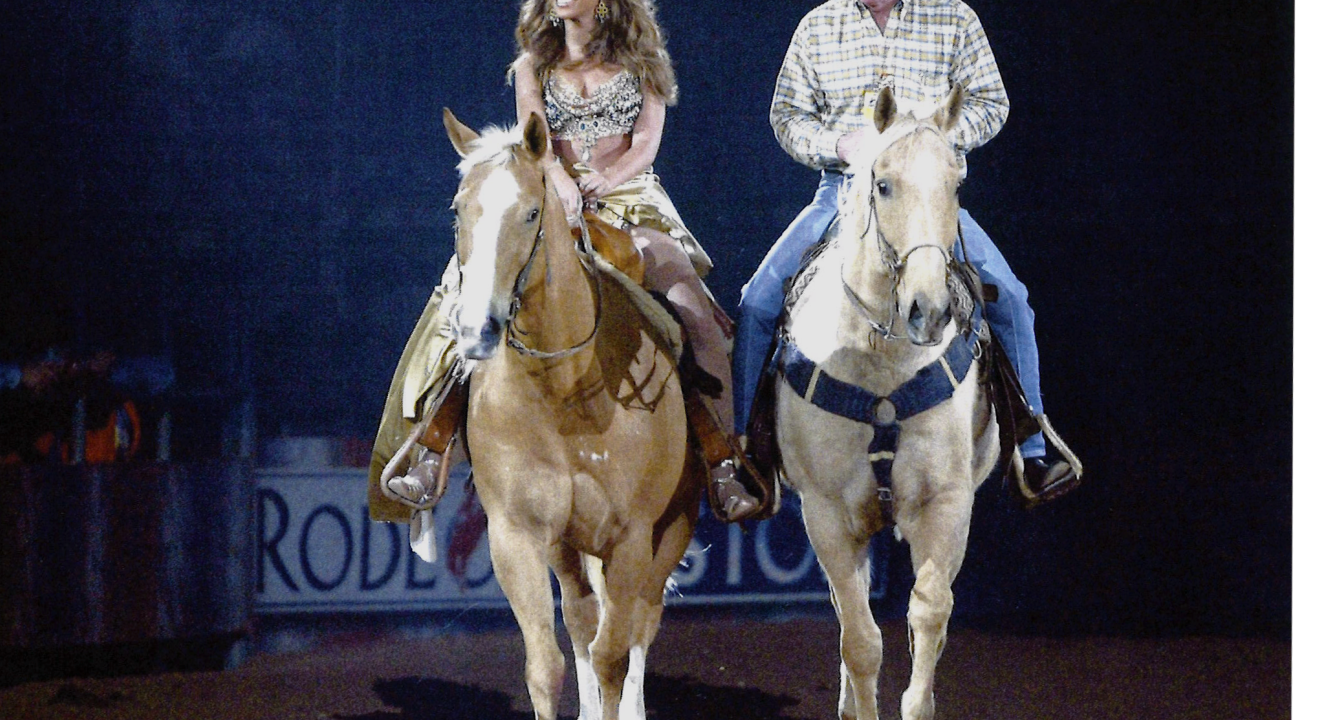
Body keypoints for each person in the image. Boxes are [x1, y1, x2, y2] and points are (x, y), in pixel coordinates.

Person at [369, 0, 768, 523]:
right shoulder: (532, 65)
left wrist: (610, 176)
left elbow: (647, 142)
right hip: (549, 204)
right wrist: (561, 184)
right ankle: (434, 445)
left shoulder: (644, 61)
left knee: (696, 311)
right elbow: (536, 141)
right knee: (467, 291)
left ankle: (722, 460)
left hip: (631, 200)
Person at [733, 0, 1078, 498]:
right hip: (845, 190)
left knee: (1011, 297)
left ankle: (1032, 448)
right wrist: (838, 145)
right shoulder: (819, 25)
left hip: (927, 195)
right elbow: (787, 117)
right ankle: (750, 457)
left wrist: (932, 139)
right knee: (758, 301)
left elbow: (991, 102)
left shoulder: (954, 17)